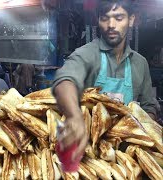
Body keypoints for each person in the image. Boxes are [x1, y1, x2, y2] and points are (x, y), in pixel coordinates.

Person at [52, 0, 157, 162]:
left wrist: (144, 132)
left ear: (131, 19)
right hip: (88, 152)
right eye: (105, 18)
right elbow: (65, 81)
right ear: (98, 20)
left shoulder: (140, 63)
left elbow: (148, 106)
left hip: (127, 155)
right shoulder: (87, 54)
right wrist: (74, 116)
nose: (111, 24)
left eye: (119, 18)